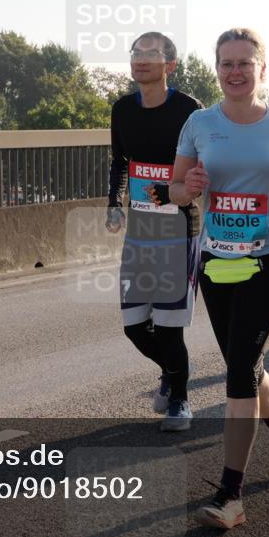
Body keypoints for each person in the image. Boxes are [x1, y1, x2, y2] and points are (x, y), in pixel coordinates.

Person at [169, 28, 269, 529]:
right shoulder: (199, 122)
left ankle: (231, 494)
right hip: (217, 261)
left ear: (262, 69)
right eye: (226, 63)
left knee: (239, 372)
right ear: (217, 69)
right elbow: (174, 191)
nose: (235, 71)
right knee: (243, 362)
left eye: (245, 63)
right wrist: (187, 187)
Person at [106, 32, 203, 432]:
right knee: (134, 326)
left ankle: (179, 399)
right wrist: (114, 202)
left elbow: (202, 166)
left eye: (151, 54)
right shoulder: (122, 109)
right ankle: (173, 369)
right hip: (141, 229)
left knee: (167, 323)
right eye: (135, 53)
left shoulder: (189, 111)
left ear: (170, 66)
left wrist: (177, 191)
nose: (141, 60)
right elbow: (120, 161)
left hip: (179, 227)